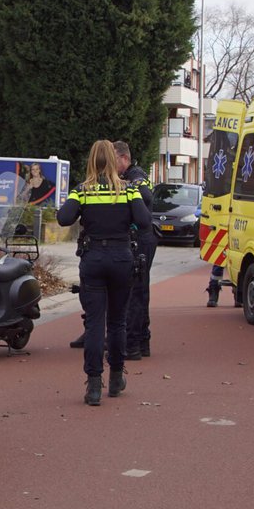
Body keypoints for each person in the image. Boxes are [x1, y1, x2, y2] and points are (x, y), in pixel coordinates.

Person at [58, 140, 151, 406]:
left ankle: (93, 386)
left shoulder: (82, 190)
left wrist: (78, 200)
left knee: (95, 323)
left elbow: (64, 218)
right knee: (118, 322)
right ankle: (116, 378)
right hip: (122, 258)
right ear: (113, 160)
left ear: (91, 161)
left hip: (93, 259)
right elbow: (144, 222)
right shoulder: (128, 189)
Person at [115, 141, 157, 358]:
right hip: (142, 238)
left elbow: (147, 197)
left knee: (135, 292)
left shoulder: (135, 175)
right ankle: (141, 341)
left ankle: (133, 344)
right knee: (140, 291)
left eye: (115, 161)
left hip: (141, 239)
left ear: (124, 158)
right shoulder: (130, 175)